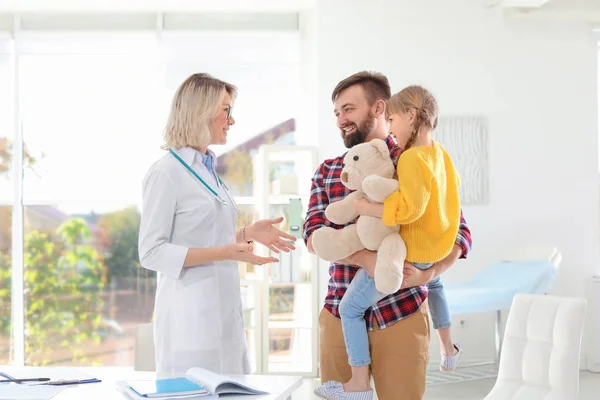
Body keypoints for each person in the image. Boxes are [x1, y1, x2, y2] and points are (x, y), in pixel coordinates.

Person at [303, 71, 472, 400]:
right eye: (337, 113)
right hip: (340, 311)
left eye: (349, 109)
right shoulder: (329, 170)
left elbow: (459, 231)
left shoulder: (414, 160)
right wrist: (366, 259)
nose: (341, 119)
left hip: (402, 311)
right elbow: (312, 234)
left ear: (379, 108)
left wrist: (429, 273)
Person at [138, 73, 297, 375]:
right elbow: (151, 252)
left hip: (224, 317)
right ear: (201, 110)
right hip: (190, 321)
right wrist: (225, 252)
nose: (231, 120)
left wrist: (247, 233)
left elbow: (201, 235)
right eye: (226, 110)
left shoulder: (208, 169)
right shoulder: (167, 172)